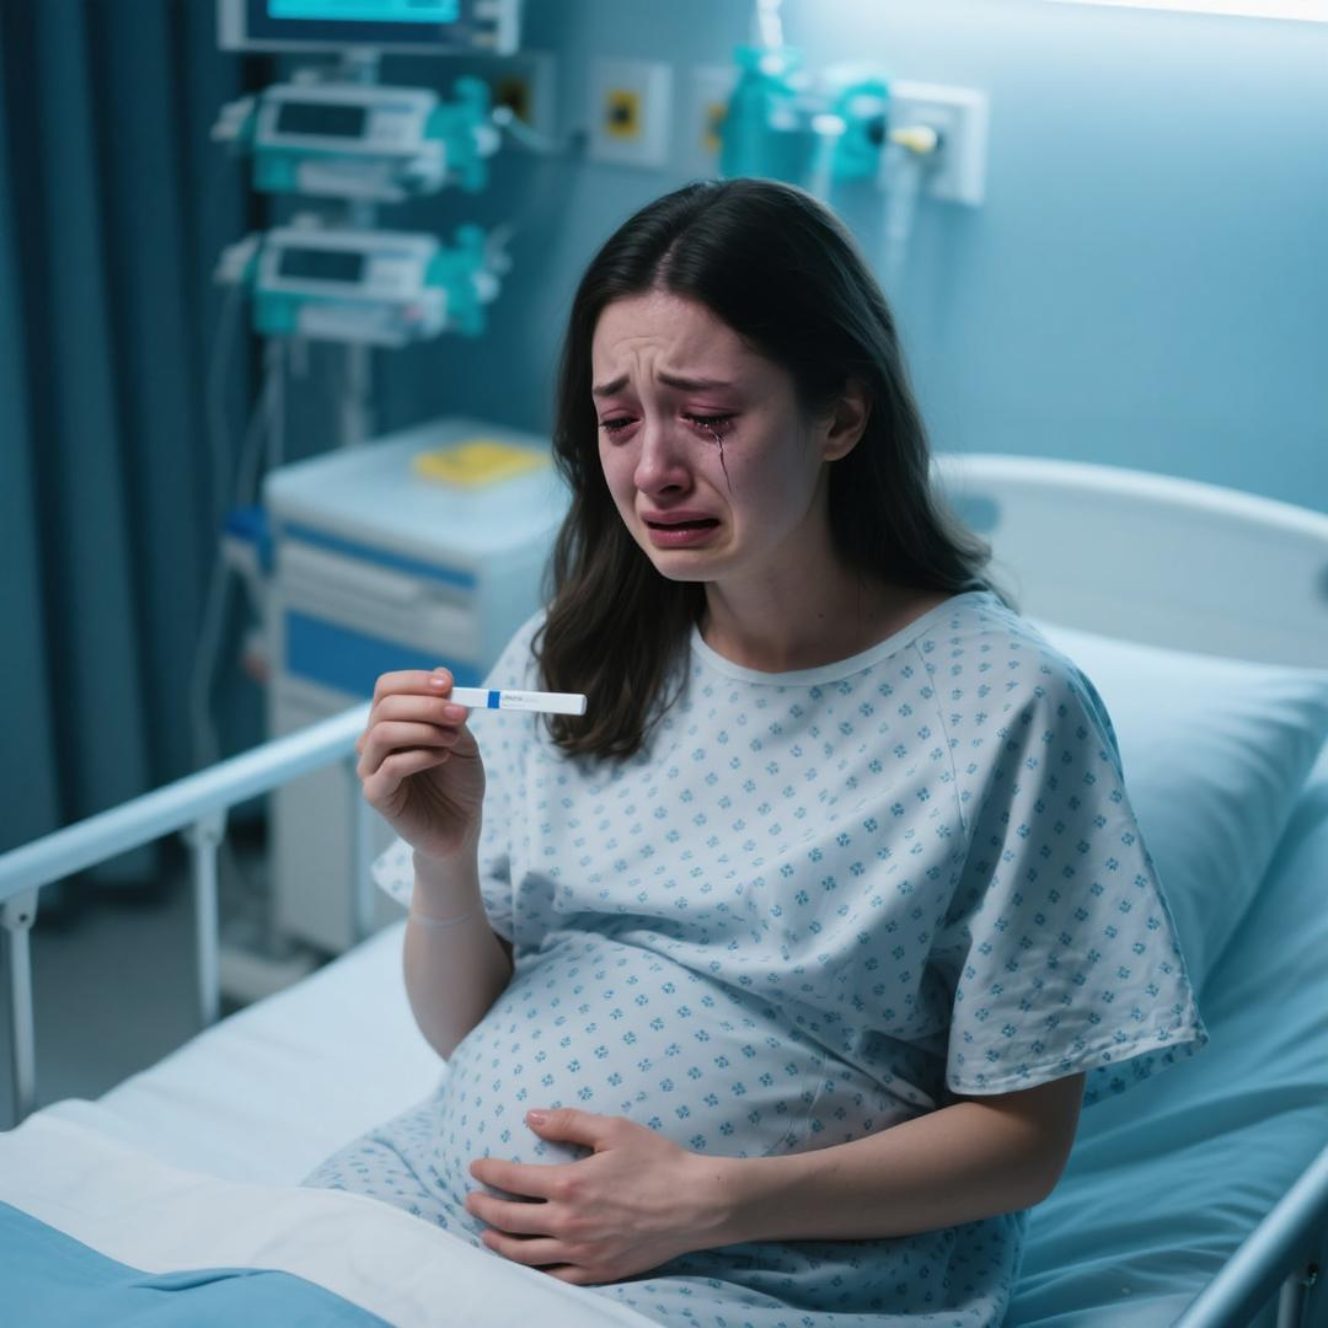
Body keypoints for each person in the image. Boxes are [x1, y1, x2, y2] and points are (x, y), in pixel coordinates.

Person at [304, 178, 1207, 1327]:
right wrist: (446, 855)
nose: (651, 470)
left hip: (768, 1266)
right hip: (445, 1192)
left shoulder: (1008, 711)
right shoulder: (577, 649)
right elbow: (460, 1029)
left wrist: (705, 1200)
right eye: (617, 419)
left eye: (709, 415)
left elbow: (1021, 1145)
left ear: (839, 415)